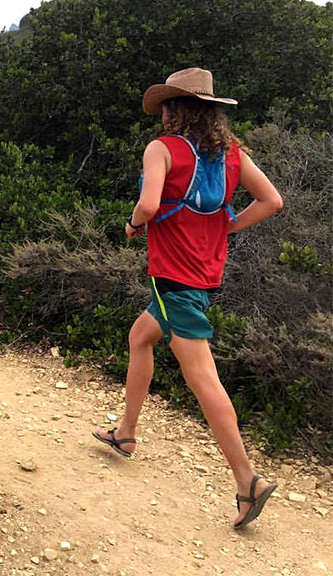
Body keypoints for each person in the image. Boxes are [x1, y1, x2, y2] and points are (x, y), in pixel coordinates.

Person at [92, 67, 283, 530]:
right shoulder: (234, 155)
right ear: (214, 111)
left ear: (173, 108)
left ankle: (247, 481)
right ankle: (127, 434)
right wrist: (226, 226)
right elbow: (272, 201)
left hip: (173, 279)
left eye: (165, 107)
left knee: (203, 379)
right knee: (141, 336)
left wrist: (134, 225)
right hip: (201, 276)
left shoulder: (162, 148)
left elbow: (150, 204)